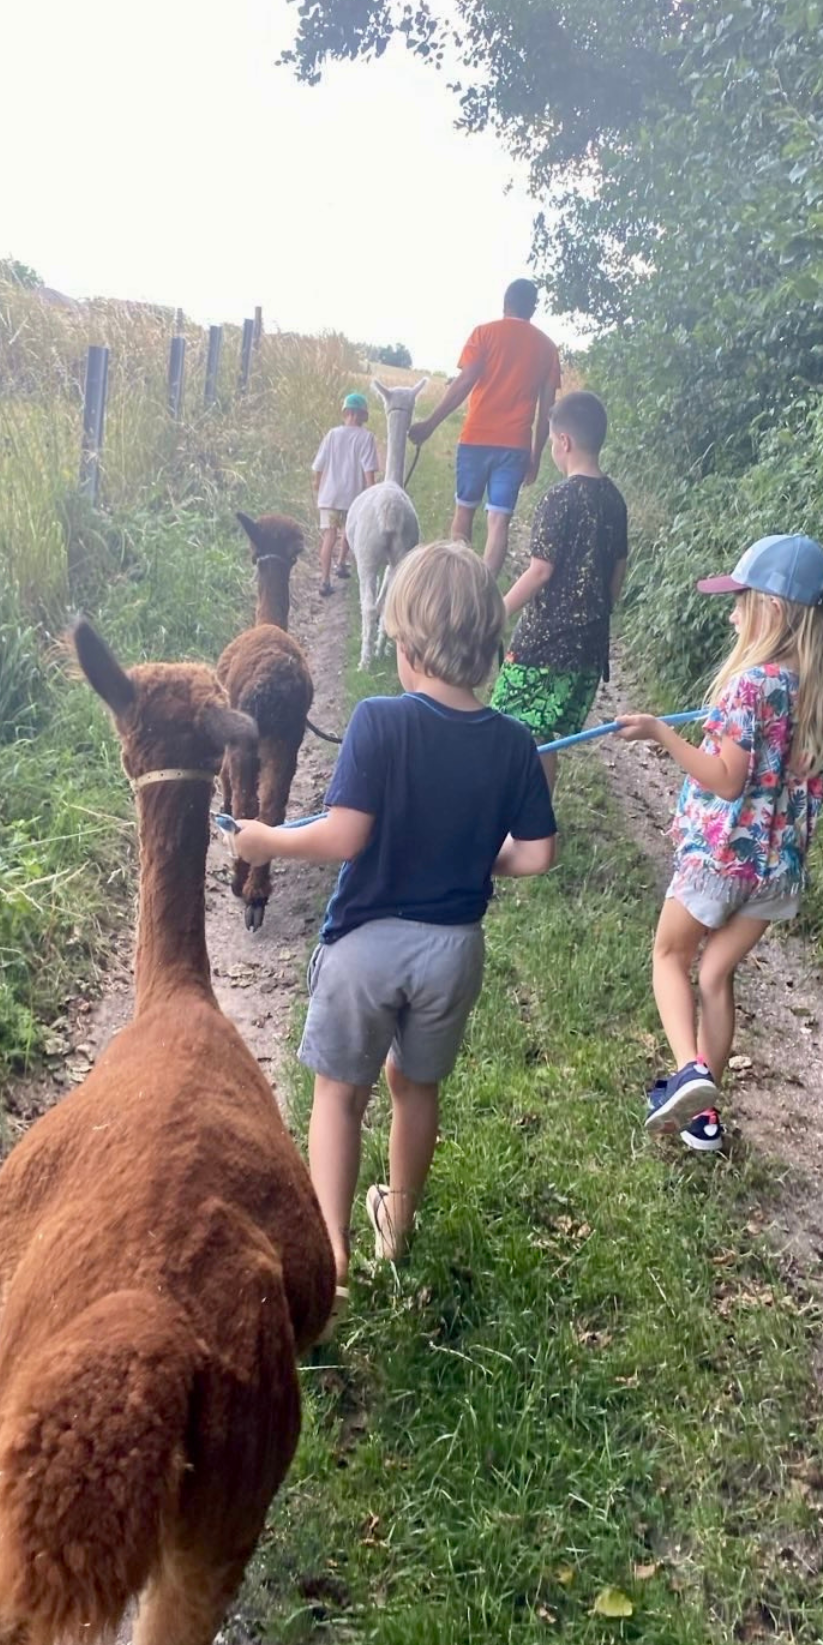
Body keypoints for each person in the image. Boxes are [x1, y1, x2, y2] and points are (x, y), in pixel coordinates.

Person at [228, 540, 557, 1318]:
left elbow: (343, 838)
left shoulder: (377, 722)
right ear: (490, 646)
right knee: (415, 1088)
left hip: (366, 948)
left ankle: (331, 1256)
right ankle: (396, 1228)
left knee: (339, 1097)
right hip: (453, 953)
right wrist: (482, 860)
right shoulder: (515, 743)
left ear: (406, 646)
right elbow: (539, 854)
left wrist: (265, 839)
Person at [618, 534, 823, 1154]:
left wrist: (661, 734)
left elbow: (726, 779)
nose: (731, 613)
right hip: (778, 874)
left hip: (723, 860)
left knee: (669, 957)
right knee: (716, 976)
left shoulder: (750, 686)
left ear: (771, 609)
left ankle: (690, 1072)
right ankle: (703, 1119)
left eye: (740, 600)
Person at [491, 389, 628, 791]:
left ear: (564, 442)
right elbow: (616, 577)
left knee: (505, 723)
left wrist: (496, 613)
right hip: (588, 648)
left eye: (552, 441)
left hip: (545, 644)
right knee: (541, 733)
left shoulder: (559, 498)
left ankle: (512, 819)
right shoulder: (615, 500)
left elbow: (539, 572)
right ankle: (537, 821)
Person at [407, 279, 561, 577]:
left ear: (505, 304)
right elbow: (546, 411)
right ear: (533, 308)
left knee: (464, 512)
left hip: (476, 439)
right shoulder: (547, 348)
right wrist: (536, 455)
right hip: (515, 444)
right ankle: (485, 592)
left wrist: (430, 424)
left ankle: (459, 584)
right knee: (499, 521)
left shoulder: (484, 334)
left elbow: (465, 382)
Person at [311, 392, 380, 597]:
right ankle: (341, 563)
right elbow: (369, 470)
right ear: (362, 416)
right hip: (353, 498)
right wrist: (372, 494)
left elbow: (319, 465)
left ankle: (324, 581)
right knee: (349, 533)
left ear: (346, 413)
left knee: (329, 536)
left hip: (330, 496)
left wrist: (317, 485)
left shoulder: (332, 434)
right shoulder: (366, 438)